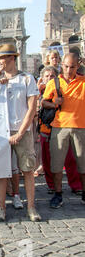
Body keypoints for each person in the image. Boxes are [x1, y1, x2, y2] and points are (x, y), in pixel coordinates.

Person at [0, 43, 41, 222]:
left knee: (28, 170)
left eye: (1, 58)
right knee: (2, 171)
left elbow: (32, 108)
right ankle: (1, 207)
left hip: (23, 132)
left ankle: (31, 207)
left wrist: (20, 132)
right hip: (2, 132)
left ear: (12, 58)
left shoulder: (27, 78)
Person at [42, 53, 85, 208]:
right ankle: (58, 194)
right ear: (62, 65)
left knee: (82, 163)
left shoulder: (83, 81)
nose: (68, 70)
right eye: (66, 66)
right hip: (59, 127)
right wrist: (54, 103)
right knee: (57, 164)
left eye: (72, 67)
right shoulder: (54, 82)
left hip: (81, 127)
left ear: (77, 66)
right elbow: (43, 103)